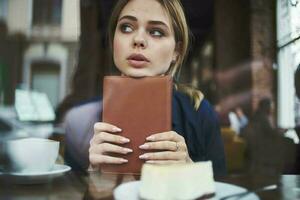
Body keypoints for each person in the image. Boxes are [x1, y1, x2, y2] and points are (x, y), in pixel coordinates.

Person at [64, 0, 226, 176]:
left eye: (156, 32)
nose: (138, 40)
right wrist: (92, 176)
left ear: (176, 51)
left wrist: (190, 170)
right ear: (113, 41)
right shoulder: (82, 119)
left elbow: (222, 190)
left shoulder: (200, 113)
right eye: (126, 28)